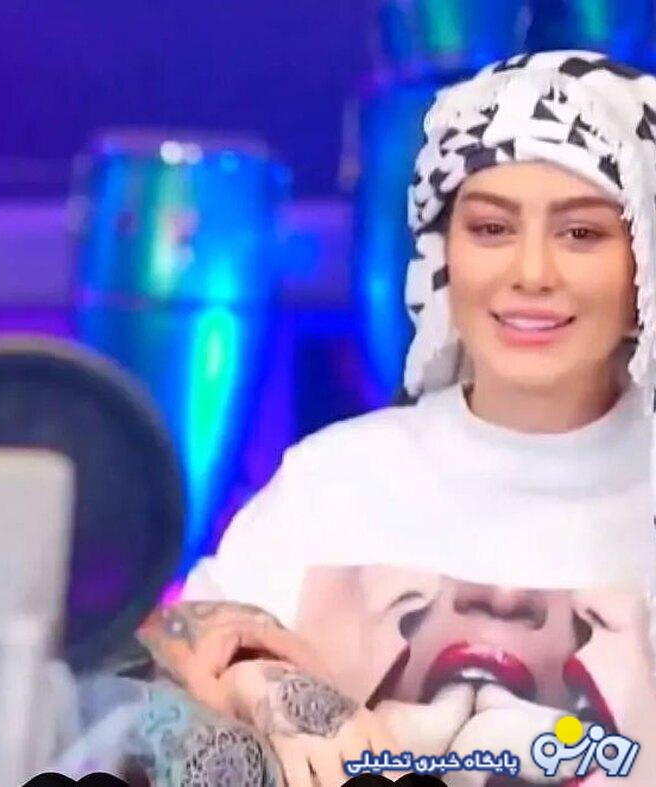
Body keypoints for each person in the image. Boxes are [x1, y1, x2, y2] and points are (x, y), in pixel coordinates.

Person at [140, 51, 656, 787]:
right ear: (444, 253)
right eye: (491, 228)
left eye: (581, 234)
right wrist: (260, 679)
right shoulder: (336, 478)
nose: (531, 273)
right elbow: (155, 655)